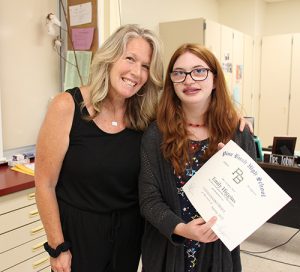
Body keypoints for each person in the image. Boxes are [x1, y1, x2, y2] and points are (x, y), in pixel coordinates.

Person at [34, 24, 164, 272]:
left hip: (128, 239)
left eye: (145, 66)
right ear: (110, 58)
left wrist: (232, 119)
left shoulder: (146, 116)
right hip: (77, 239)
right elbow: (44, 184)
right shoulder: (67, 106)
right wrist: (57, 247)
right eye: (130, 58)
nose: (136, 72)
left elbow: (190, 116)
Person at [139, 43, 256, 272]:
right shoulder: (155, 134)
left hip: (218, 253)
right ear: (172, 83)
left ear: (214, 79)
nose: (189, 80)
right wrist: (182, 229)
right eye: (179, 73)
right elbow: (148, 200)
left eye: (199, 71)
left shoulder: (239, 135)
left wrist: (231, 168)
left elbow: (250, 204)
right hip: (167, 251)